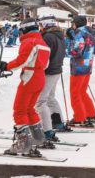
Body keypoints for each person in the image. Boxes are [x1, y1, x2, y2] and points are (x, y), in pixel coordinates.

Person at [0, 18, 51, 157]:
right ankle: (38, 138)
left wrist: (6, 66)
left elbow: (23, 60)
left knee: (19, 110)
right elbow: (45, 63)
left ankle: (24, 144)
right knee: (29, 109)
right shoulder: (42, 42)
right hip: (40, 77)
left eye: (21, 31)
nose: (20, 35)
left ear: (24, 30)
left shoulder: (29, 41)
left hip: (31, 77)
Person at [35, 15, 67, 143]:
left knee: (41, 101)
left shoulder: (48, 37)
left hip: (49, 71)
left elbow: (45, 55)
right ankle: (58, 122)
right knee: (50, 98)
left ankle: (47, 130)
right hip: (56, 70)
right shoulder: (59, 35)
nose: (40, 28)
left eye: (41, 25)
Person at [68, 15, 95, 127]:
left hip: (78, 67)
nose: (72, 25)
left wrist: (69, 51)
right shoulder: (90, 33)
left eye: (73, 23)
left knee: (75, 93)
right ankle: (90, 114)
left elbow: (77, 49)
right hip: (88, 66)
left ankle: (79, 118)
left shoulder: (79, 33)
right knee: (82, 92)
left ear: (76, 23)